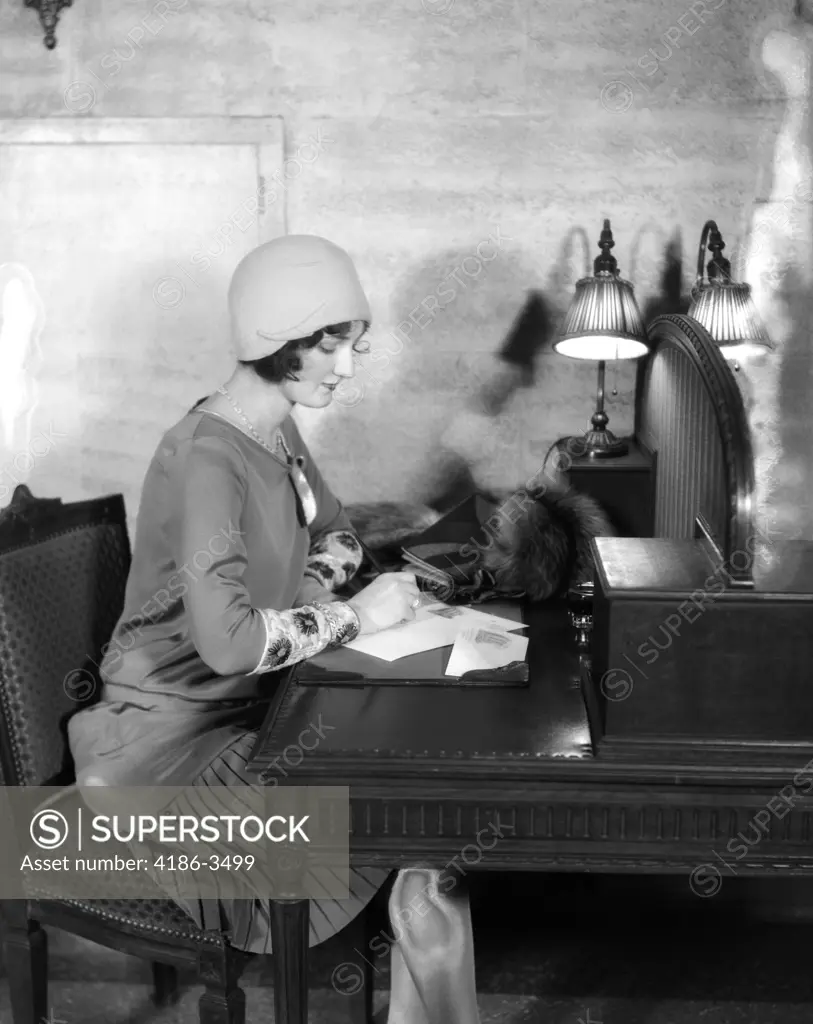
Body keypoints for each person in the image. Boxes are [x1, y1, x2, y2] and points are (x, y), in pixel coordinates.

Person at [67, 235, 480, 1023]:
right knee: (407, 810)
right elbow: (228, 644)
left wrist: (309, 591)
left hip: (252, 703)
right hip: (165, 741)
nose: (347, 366)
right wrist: (354, 615)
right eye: (329, 343)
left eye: (350, 343)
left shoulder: (275, 428)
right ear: (272, 337)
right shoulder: (204, 457)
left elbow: (341, 535)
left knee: (421, 800)